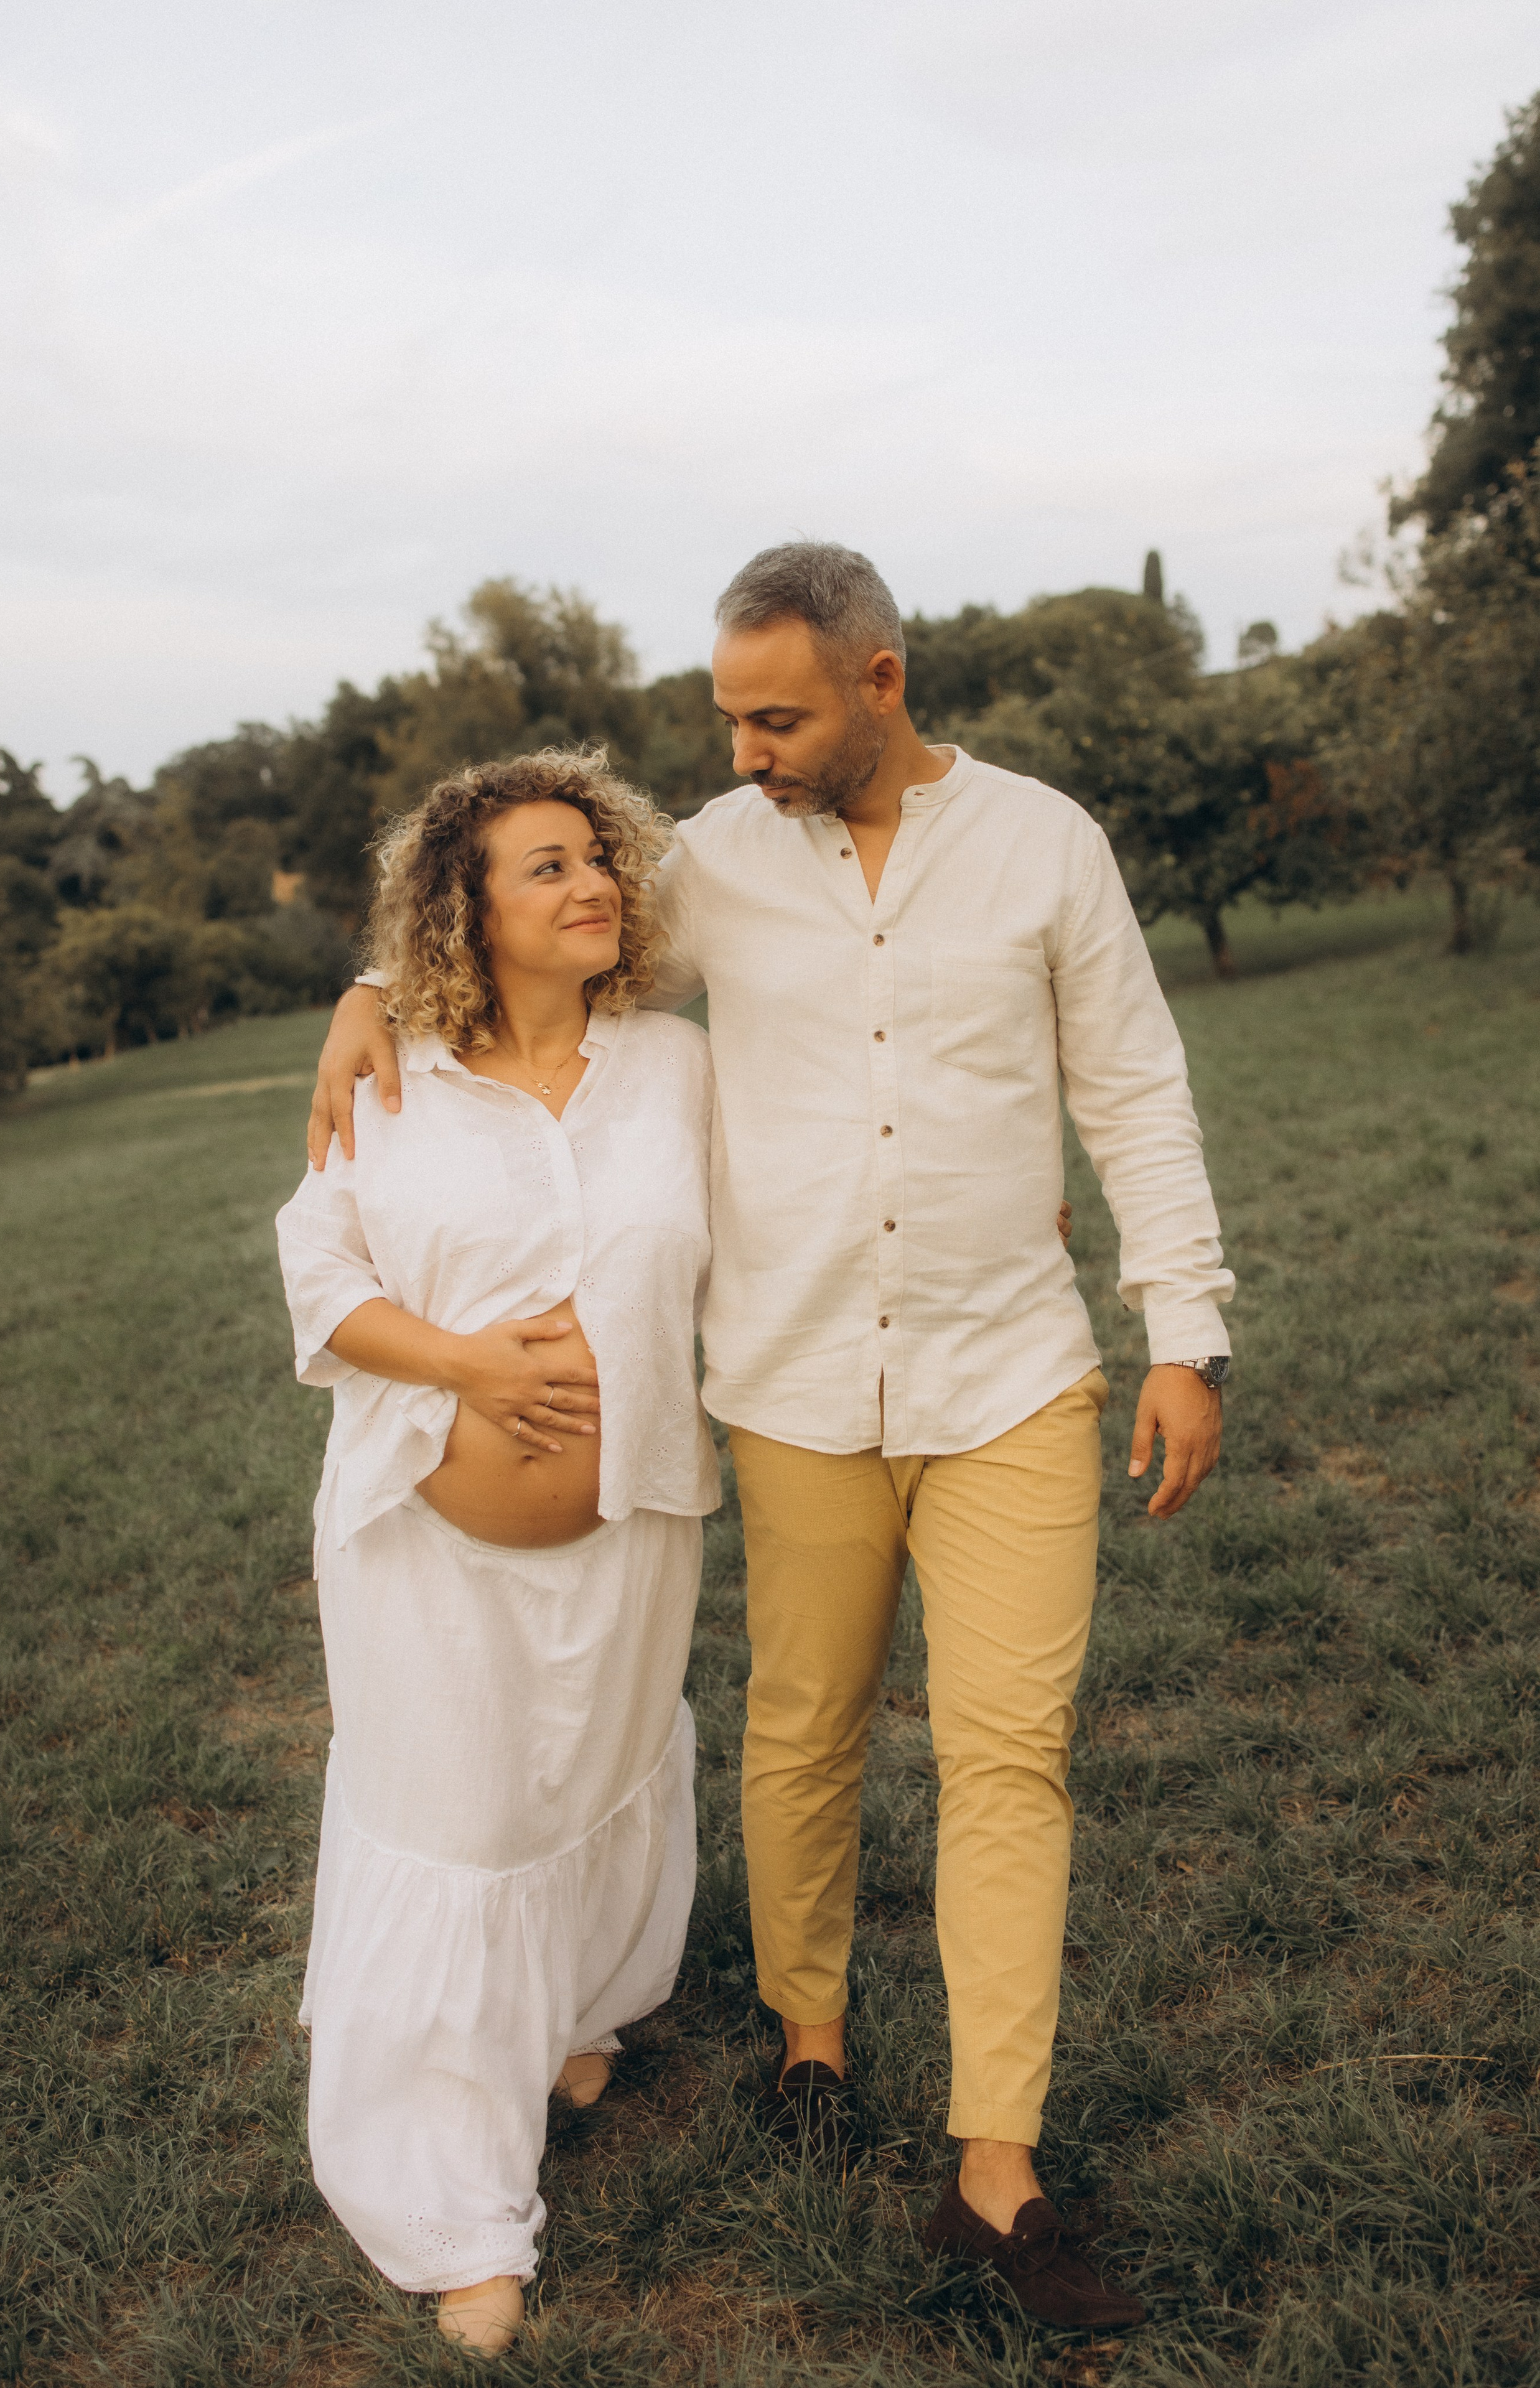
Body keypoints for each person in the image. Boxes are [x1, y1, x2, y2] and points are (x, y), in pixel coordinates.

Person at [311, 543, 1233, 2333]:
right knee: (802, 1728)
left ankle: (998, 2164)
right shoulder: (714, 863)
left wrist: (1181, 1331)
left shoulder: (1047, 843)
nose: (741, 751)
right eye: (727, 716)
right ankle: (809, 2040)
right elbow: (502, 904)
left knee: (1008, 1760)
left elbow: (1133, 1082)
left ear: (882, 682)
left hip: (1013, 1380)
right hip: (796, 1384)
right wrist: (368, 982)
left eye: (778, 716)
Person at [276, 749, 719, 2359]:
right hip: (427, 1550)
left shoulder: (674, 1062)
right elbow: (316, 1268)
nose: (590, 883)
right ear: (466, 906)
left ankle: (580, 2008)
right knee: (457, 1829)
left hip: (634, 1523)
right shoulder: (395, 1073)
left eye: (597, 856)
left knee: (592, 1780)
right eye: (546, 866)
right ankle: (452, 2208)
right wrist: (470, 1367)